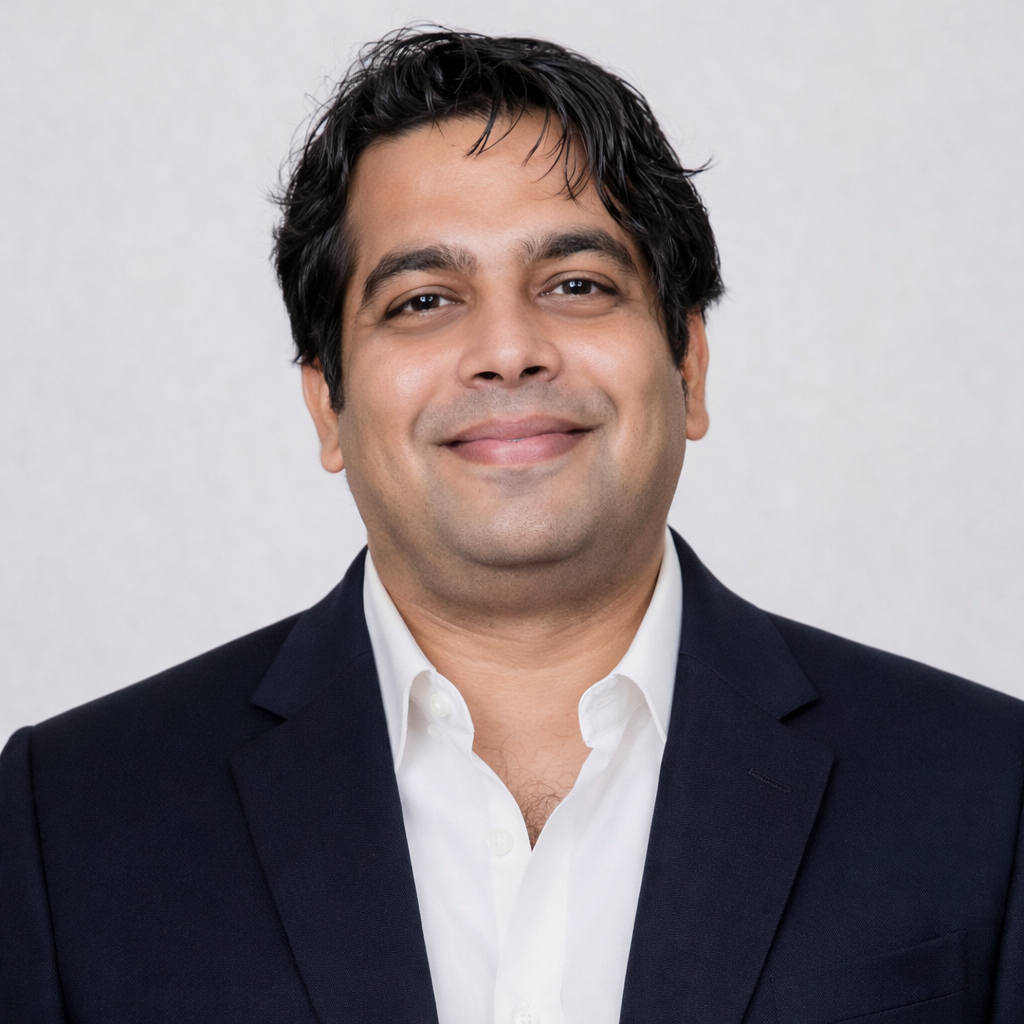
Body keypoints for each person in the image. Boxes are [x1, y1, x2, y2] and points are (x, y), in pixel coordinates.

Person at [1, 27, 1021, 1024]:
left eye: (576, 285)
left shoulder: (986, 790)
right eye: (423, 300)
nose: (507, 349)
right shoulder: (69, 820)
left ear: (689, 366)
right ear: (327, 406)